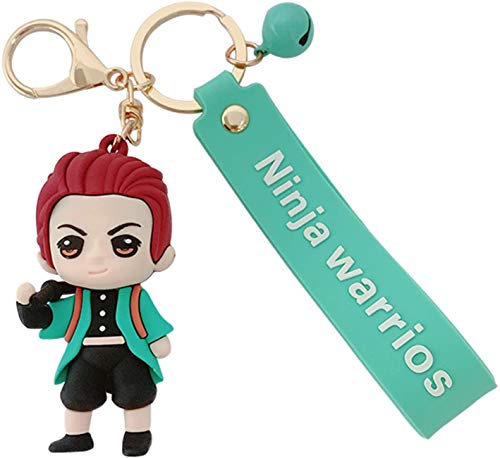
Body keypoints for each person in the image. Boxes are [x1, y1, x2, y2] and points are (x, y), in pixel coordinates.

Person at [16, 135, 175, 456]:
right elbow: (51, 319)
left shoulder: (136, 296)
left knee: (136, 392)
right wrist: (29, 308)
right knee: (76, 394)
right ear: (49, 255)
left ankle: (137, 434)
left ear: (159, 253)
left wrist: (158, 339)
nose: (98, 257)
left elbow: (152, 322)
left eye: (125, 244)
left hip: (129, 352)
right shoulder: (76, 299)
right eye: (71, 245)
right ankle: (77, 436)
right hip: (85, 354)